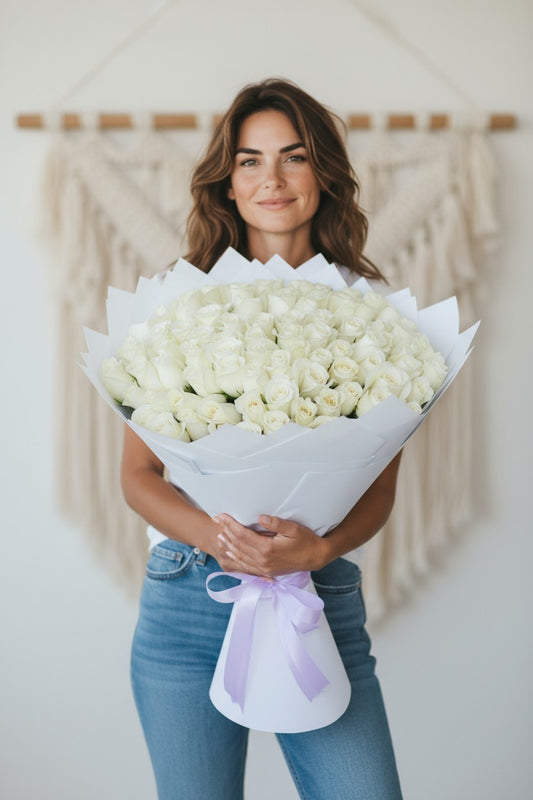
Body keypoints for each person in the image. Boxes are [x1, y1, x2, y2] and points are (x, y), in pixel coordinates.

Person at [123, 78, 404, 800]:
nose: (270, 179)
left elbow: (377, 489)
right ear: (227, 181)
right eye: (249, 160)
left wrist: (318, 550)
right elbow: (138, 476)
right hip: (189, 596)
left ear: (325, 173)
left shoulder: (374, 315)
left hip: (317, 592)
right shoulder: (177, 300)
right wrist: (221, 542)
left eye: (293, 156)